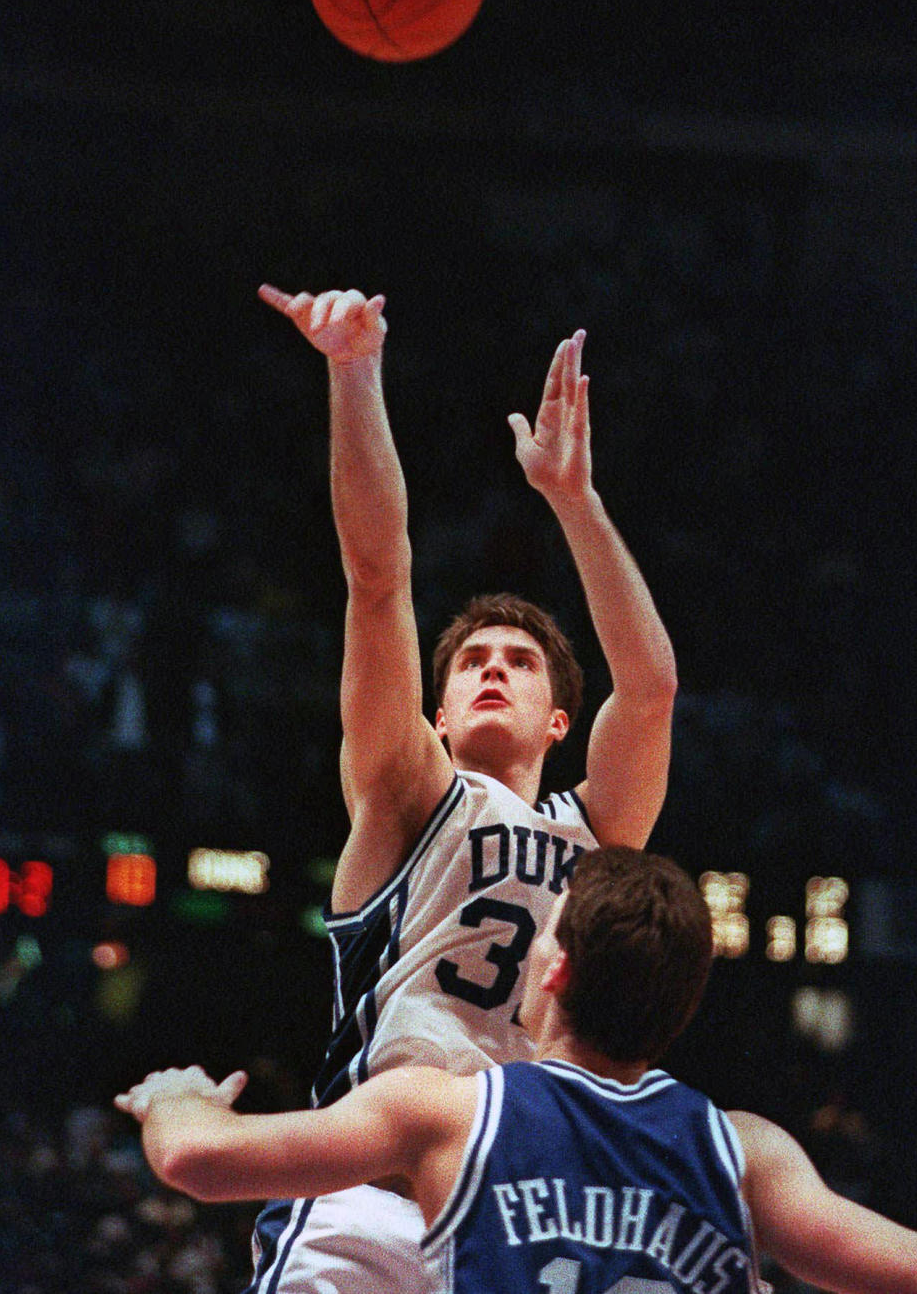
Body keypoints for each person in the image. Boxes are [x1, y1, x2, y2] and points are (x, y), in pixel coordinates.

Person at [238, 285, 679, 1290]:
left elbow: (650, 687)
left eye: (519, 661)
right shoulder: (408, 793)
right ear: (435, 714)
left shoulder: (595, 827)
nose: (490, 667)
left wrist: (576, 500)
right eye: (471, 658)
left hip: (520, 1210)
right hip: (371, 1193)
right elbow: (378, 570)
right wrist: (355, 372)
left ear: (559, 720)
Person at [116, 847, 917, 1294]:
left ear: (555, 968)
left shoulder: (450, 1112)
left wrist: (177, 1098)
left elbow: (196, 1157)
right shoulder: (745, 1152)